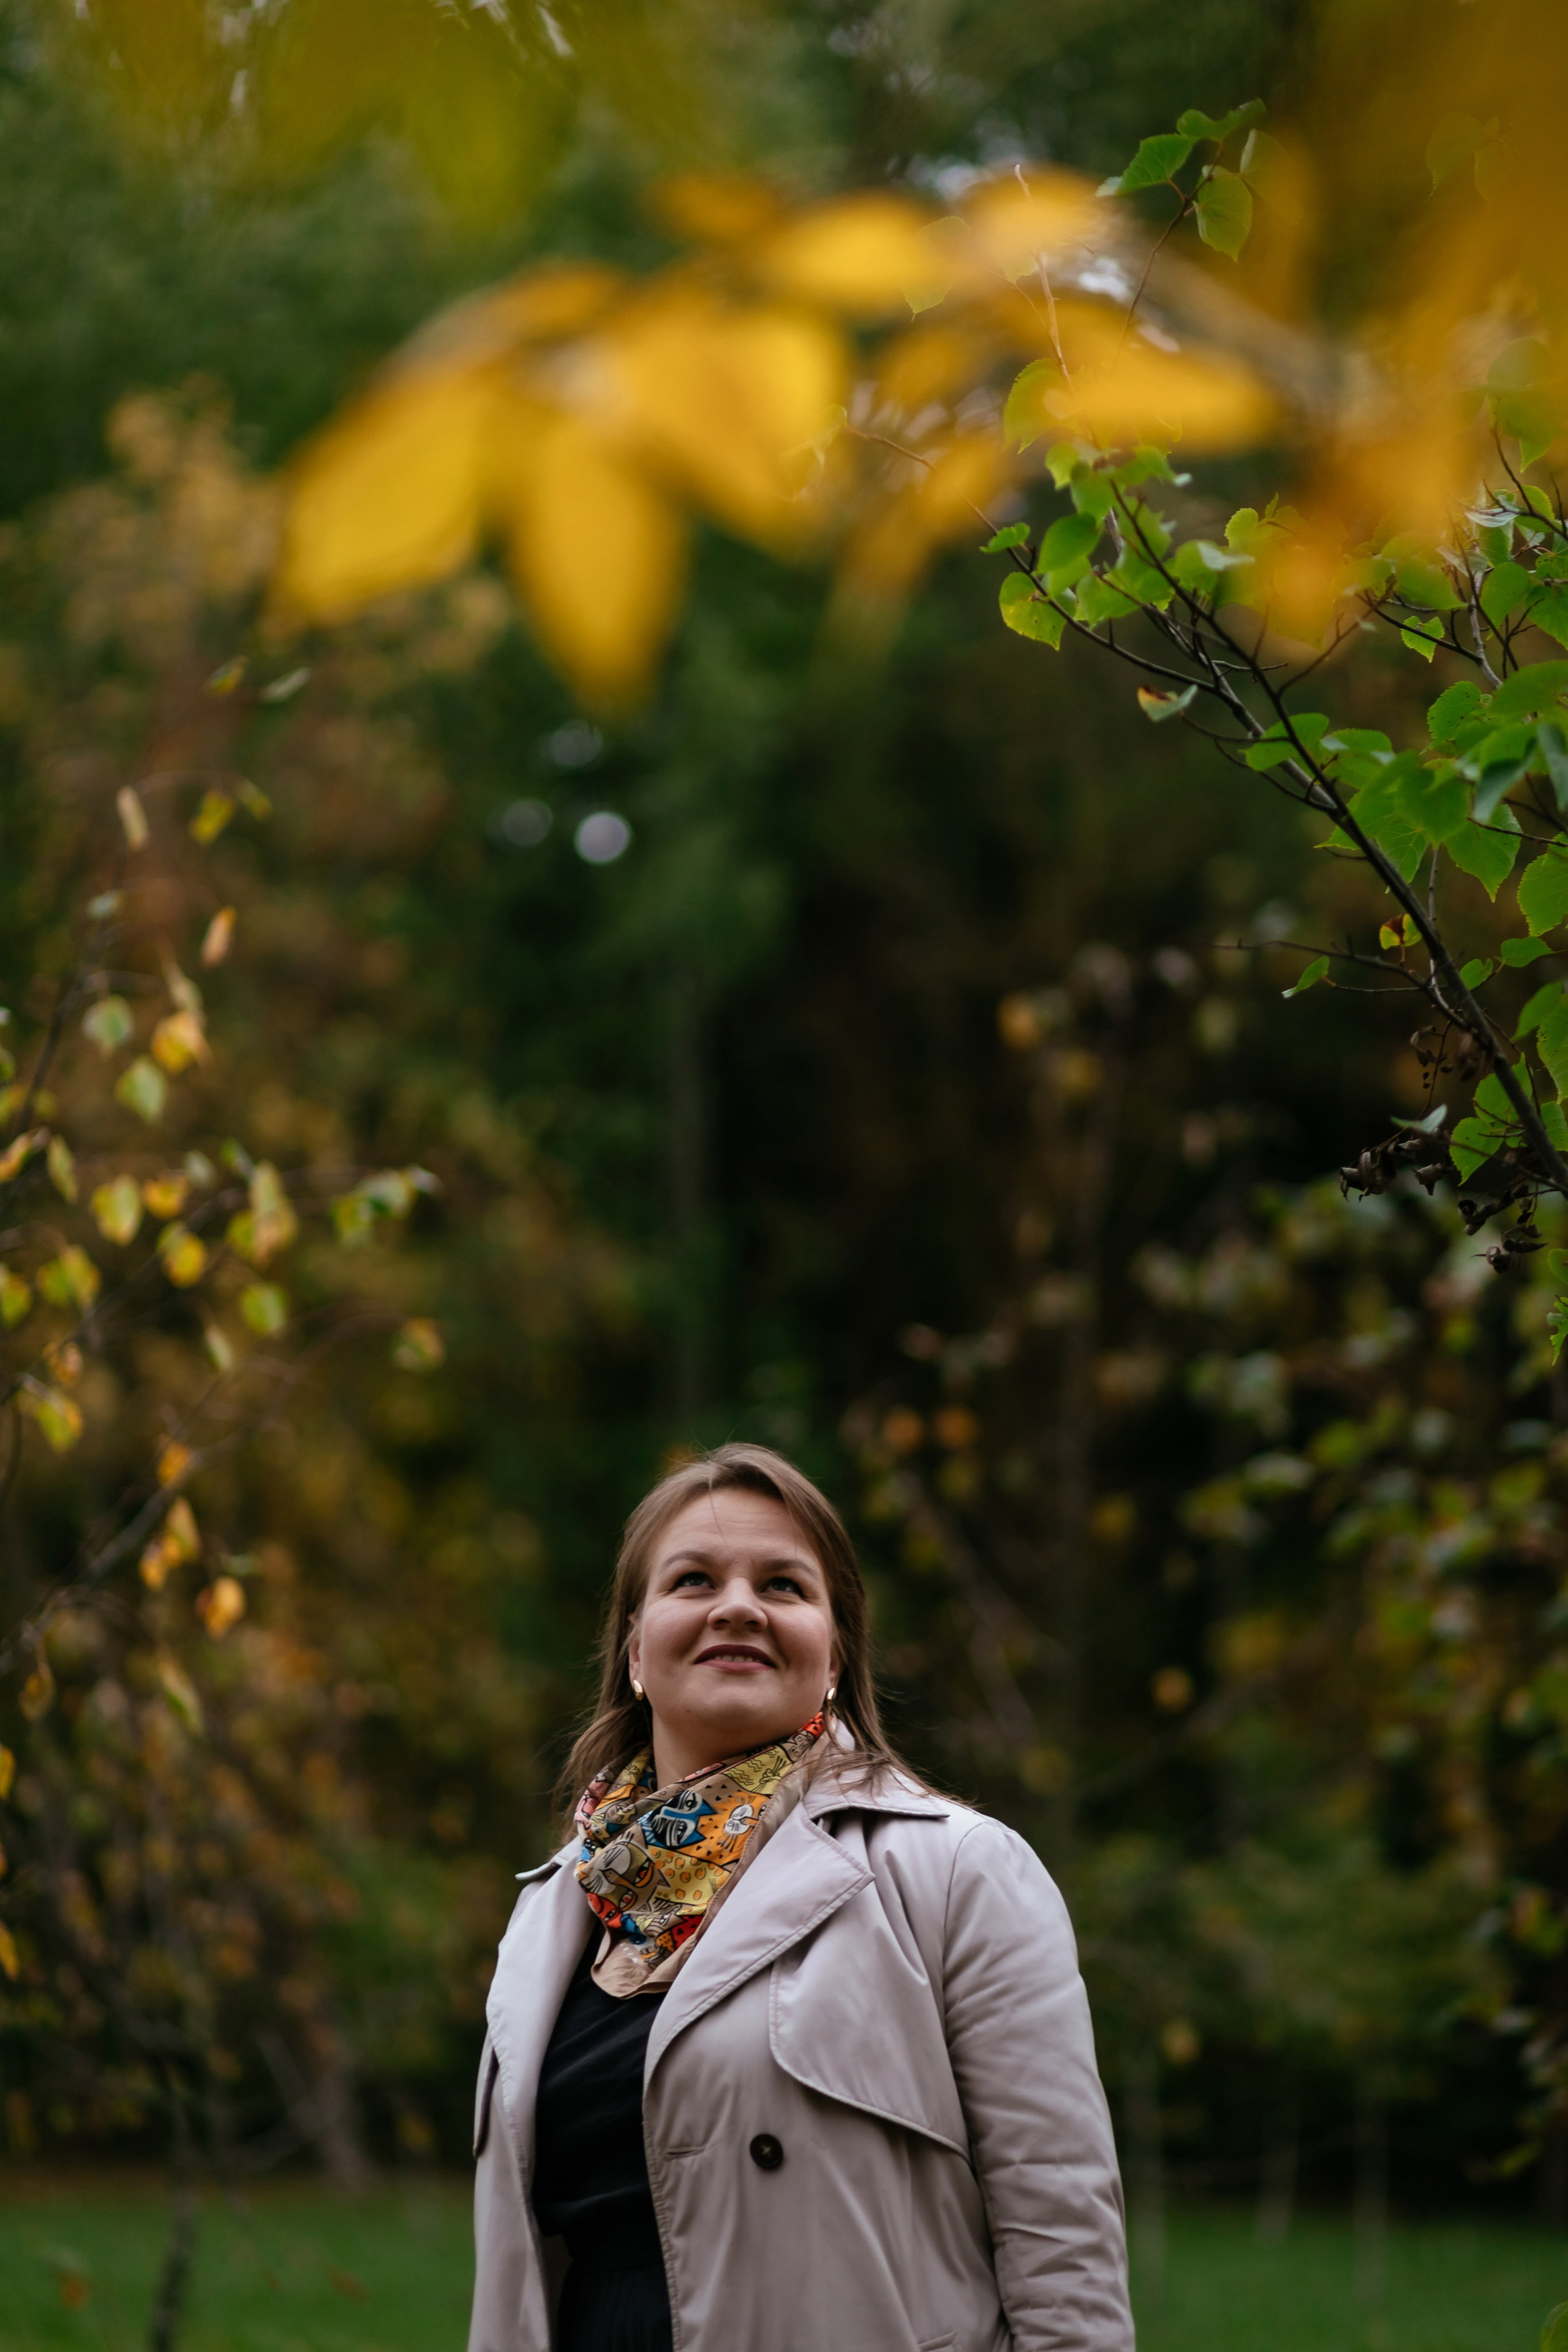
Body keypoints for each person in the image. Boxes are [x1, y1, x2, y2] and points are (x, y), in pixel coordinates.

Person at [469, 1442, 1133, 2352]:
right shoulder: (555, 1910)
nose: (736, 1606)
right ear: (634, 1651)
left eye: (783, 1586)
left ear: (834, 1652)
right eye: (693, 1580)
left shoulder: (961, 1874)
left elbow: (1066, 2260)